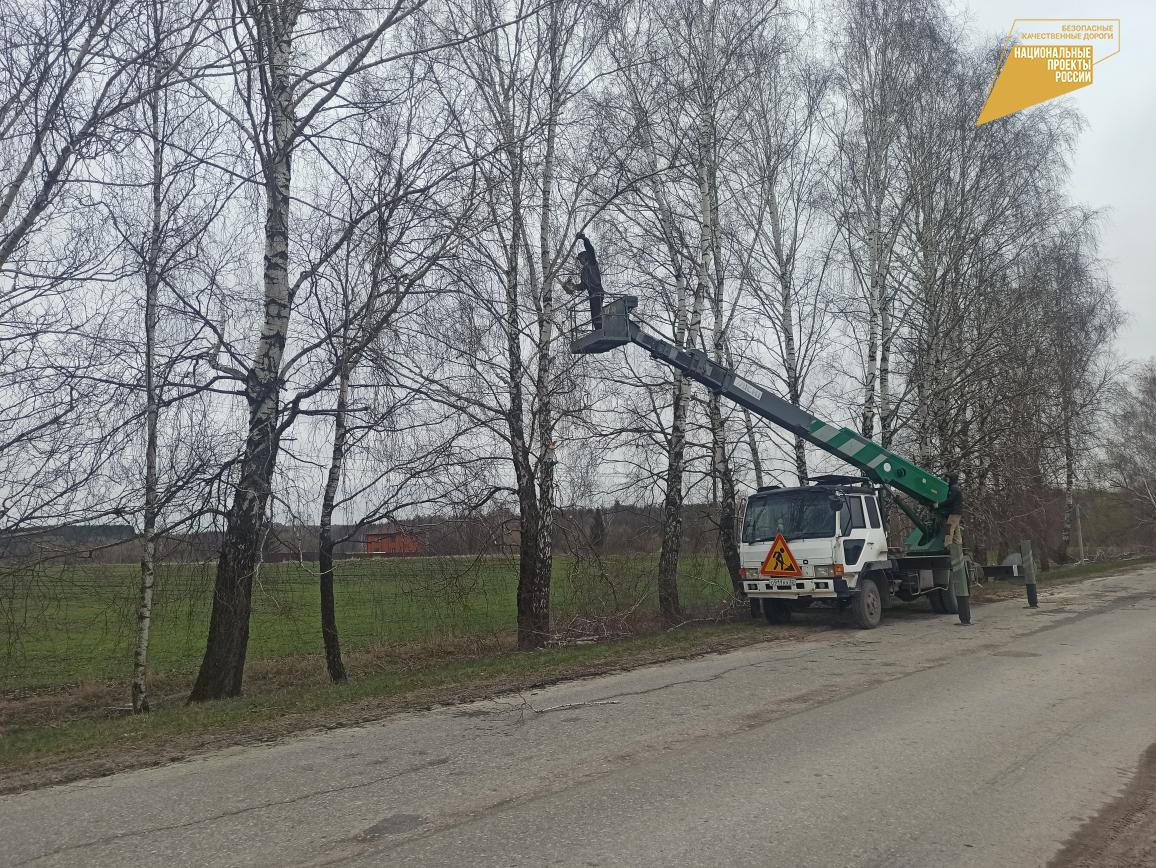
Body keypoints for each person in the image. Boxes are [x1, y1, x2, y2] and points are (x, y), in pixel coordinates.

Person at [575, 232, 603, 330]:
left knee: (597, 314)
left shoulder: (592, 263)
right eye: (579, 260)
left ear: (585, 257)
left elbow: (590, 250)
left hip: (598, 292)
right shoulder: (583, 272)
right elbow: (583, 285)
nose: (580, 261)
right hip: (592, 294)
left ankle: (600, 329)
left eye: (581, 259)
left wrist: (584, 239)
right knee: (594, 315)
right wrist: (573, 286)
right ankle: (598, 330)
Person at [943, 473, 964, 546]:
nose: (947, 480)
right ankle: (958, 543)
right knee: (956, 528)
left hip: (954, 512)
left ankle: (947, 544)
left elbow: (950, 500)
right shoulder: (955, 488)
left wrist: (939, 504)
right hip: (957, 512)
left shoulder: (954, 488)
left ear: (952, 479)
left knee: (949, 528)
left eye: (949, 479)